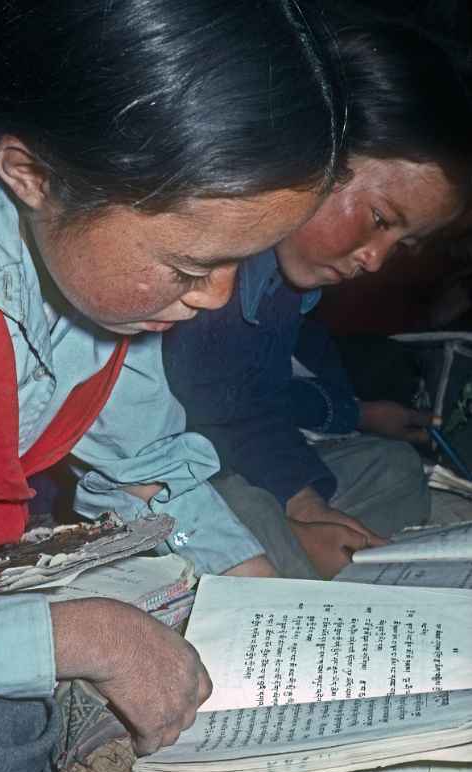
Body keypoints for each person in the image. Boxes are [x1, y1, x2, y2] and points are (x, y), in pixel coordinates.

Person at [0, 1, 347, 772]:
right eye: (191, 266)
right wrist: (65, 637)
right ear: (32, 174)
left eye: (240, 263)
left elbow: (147, 467)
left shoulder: (96, 288)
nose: (215, 299)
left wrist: (262, 601)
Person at [162, 22, 472, 580]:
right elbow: (210, 416)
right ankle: (293, 587)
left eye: (401, 243)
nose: (376, 260)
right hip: (179, 467)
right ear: (315, 148)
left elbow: (266, 395)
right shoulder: (211, 255)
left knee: (395, 470)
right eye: (380, 220)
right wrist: (298, 507)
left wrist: (313, 494)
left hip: (242, 446)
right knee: (244, 507)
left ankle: (300, 551)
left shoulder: (289, 284)